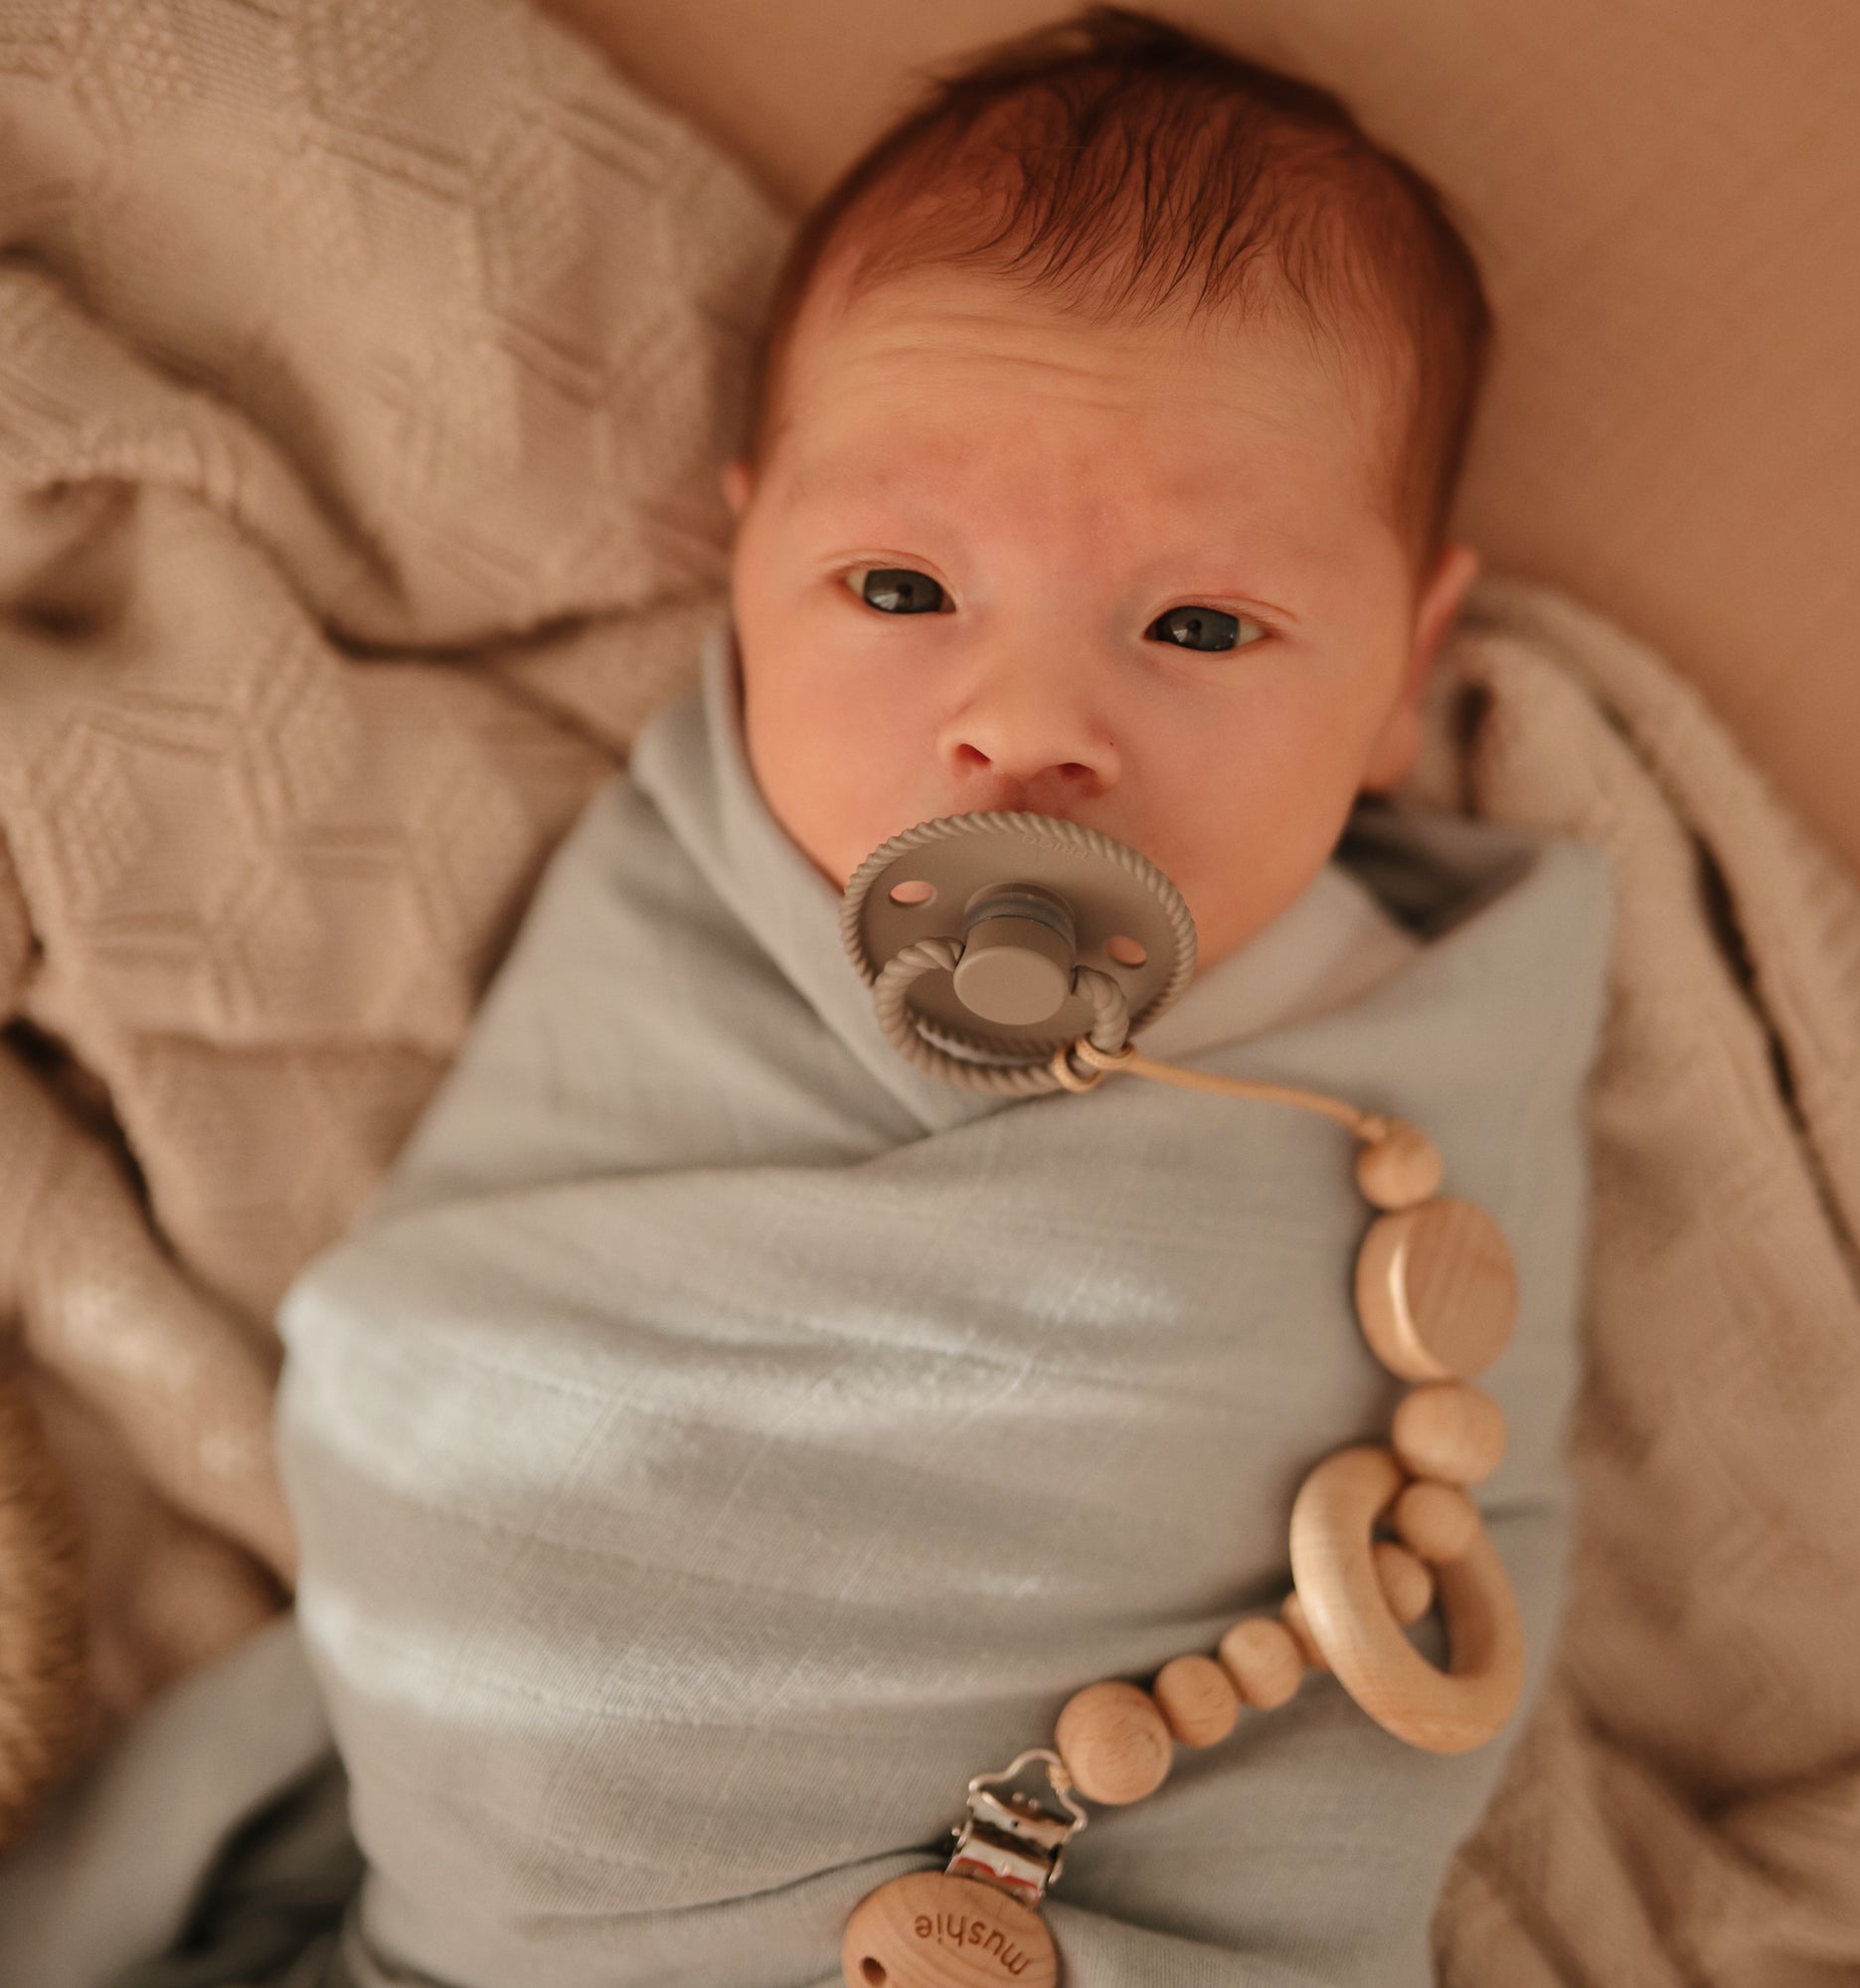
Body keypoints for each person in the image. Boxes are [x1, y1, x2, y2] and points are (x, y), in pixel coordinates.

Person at [0, 11, 1610, 1985]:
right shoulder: (685, 898)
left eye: (1199, 624)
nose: (1022, 726)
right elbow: (449, 1372)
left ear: (1400, 666)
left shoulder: (1436, 1049)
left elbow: (1447, 1575)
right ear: (746, 553)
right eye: (899, 590)